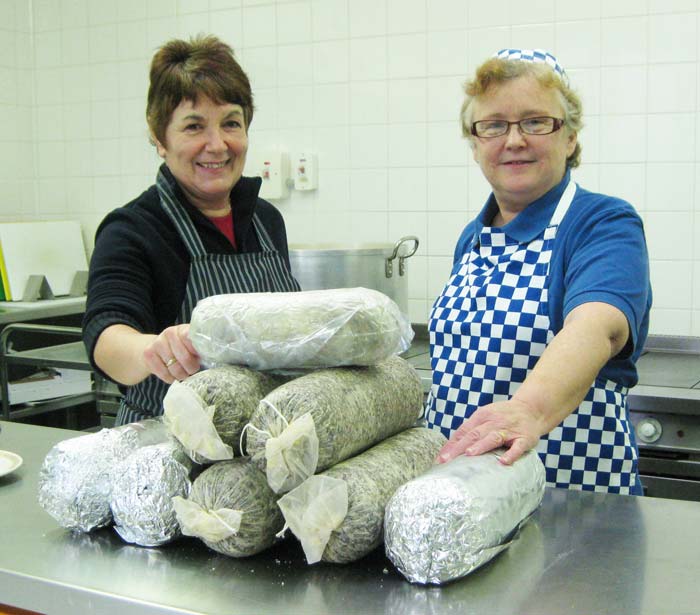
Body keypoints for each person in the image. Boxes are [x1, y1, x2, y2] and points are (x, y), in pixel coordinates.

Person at [428, 49, 652, 495]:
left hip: (573, 503)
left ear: (569, 138)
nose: (513, 140)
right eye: (493, 125)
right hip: (463, 502)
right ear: (474, 144)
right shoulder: (472, 238)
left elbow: (596, 326)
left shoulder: (601, 223)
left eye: (535, 122)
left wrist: (526, 411)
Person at [83, 35, 300, 426]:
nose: (217, 145)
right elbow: (106, 337)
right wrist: (154, 348)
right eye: (194, 126)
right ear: (159, 137)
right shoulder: (133, 229)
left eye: (231, 123)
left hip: (262, 445)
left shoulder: (266, 220)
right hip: (167, 447)